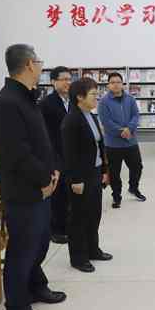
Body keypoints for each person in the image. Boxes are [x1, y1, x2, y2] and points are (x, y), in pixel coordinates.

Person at [0, 44, 66, 310]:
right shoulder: (6, 104)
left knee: (40, 242)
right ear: (30, 64)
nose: (41, 66)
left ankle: (36, 286)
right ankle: (17, 308)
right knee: (22, 249)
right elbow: (17, 154)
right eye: (39, 61)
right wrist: (44, 181)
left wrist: (54, 170)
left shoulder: (26, 97)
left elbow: (42, 141)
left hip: (41, 188)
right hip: (24, 192)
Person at [62, 78, 113, 273]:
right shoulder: (71, 120)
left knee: (94, 214)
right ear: (79, 97)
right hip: (81, 176)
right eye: (93, 94)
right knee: (79, 218)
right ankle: (78, 257)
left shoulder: (90, 116)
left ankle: (93, 249)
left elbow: (99, 145)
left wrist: (104, 171)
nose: (96, 97)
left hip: (95, 172)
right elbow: (69, 154)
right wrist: (75, 180)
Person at [97, 72, 147, 208]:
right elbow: (106, 121)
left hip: (131, 142)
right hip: (113, 144)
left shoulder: (130, 99)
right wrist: (122, 131)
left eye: (118, 82)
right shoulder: (103, 102)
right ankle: (116, 196)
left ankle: (133, 188)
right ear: (108, 85)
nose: (116, 85)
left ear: (122, 84)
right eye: (112, 82)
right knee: (114, 173)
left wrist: (129, 129)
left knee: (137, 167)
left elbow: (136, 116)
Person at [40, 66, 72, 244]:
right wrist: (53, 161)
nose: (68, 82)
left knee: (68, 194)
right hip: (56, 156)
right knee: (58, 195)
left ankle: (67, 226)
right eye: (64, 79)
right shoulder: (46, 104)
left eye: (69, 79)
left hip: (71, 155)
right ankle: (56, 230)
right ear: (53, 82)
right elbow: (45, 135)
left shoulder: (73, 101)